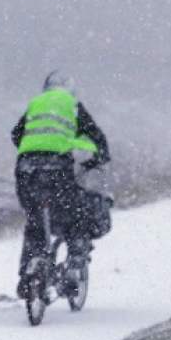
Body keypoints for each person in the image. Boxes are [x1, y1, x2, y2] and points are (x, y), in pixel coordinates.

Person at [11, 70, 110, 299]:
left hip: (26, 170)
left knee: (35, 221)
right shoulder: (73, 105)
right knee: (75, 214)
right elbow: (98, 139)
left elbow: (17, 134)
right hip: (57, 168)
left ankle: (28, 274)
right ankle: (75, 266)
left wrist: (34, 149)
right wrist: (97, 158)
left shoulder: (36, 103)